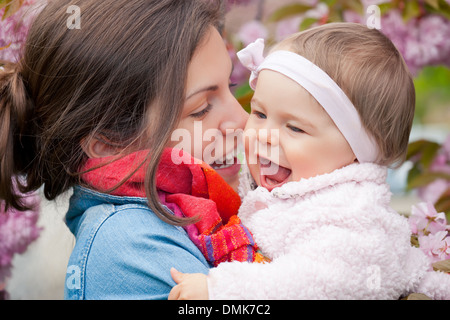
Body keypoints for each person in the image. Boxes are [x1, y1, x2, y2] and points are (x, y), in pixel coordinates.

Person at [168, 23, 450, 300]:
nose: (264, 136)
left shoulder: (351, 217)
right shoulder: (285, 189)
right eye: (260, 114)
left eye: (295, 128)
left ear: (356, 152)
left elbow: (316, 283)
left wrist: (220, 290)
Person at [0, 0, 250, 299]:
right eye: (201, 109)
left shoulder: (199, 209)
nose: (242, 121)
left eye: (232, 85)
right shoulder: (132, 248)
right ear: (107, 143)